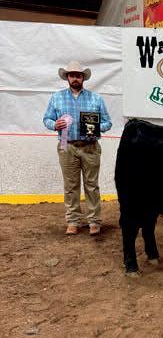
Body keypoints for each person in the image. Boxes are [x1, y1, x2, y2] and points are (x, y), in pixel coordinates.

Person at [43, 61, 112, 235]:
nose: (75, 78)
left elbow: (108, 123)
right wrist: (54, 124)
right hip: (66, 146)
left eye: (78, 75)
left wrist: (96, 128)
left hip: (90, 147)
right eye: (72, 75)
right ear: (67, 77)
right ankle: (73, 221)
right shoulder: (56, 98)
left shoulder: (96, 98)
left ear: (83, 78)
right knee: (70, 186)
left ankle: (94, 221)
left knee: (92, 185)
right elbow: (47, 119)